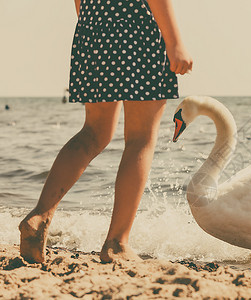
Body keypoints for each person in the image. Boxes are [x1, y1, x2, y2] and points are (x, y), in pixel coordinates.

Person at [19, 0, 193, 263]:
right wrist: (174, 41)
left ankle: (40, 215)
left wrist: (94, 27)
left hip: (92, 31)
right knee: (140, 139)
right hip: (137, 30)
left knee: (94, 132)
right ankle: (117, 243)